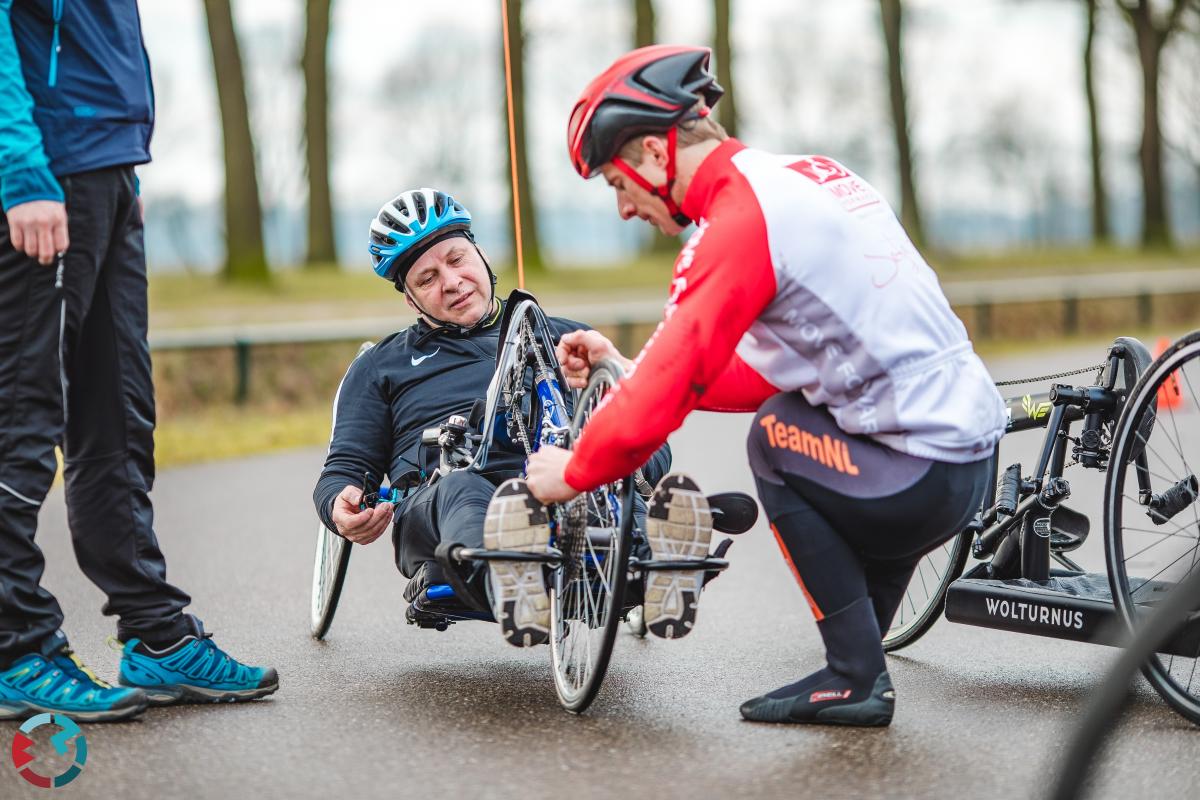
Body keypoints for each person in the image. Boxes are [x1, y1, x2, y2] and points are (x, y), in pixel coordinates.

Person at [525, 45, 1006, 727]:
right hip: (965, 465)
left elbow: (668, 393)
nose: (625, 208)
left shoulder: (737, 222)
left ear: (657, 155)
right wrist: (635, 372)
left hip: (916, 476)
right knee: (799, 410)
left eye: (615, 183)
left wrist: (572, 471)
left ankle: (854, 675)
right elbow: (754, 367)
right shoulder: (803, 177)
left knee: (776, 438)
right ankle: (859, 661)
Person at [0, 0, 276, 722]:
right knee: (21, 421)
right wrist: (20, 169)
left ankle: (154, 633)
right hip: (45, 171)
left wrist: (122, 173)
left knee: (117, 416)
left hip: (106, 170)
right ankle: (13, 646)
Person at [312, 187, 724, 648]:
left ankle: (660, 565)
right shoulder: (380, 367)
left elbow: (647, 427)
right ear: (410, 299)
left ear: (482, 255)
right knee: (459, 489)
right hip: (449, 498)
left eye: (457, 259)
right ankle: (513, 573)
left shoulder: (564, 336)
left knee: (608, 478)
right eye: (427, 278)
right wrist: (339, 507)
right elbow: (344, 469)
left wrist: (614, 459)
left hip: (570, 485)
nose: (451, 282)